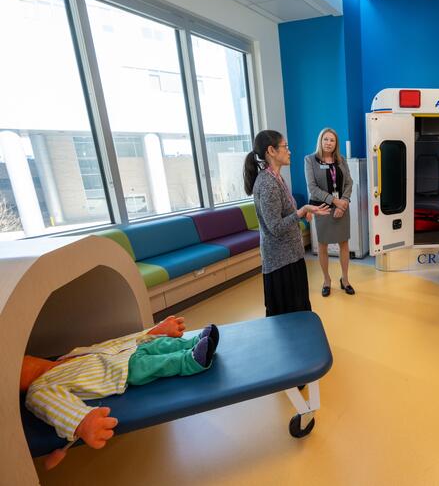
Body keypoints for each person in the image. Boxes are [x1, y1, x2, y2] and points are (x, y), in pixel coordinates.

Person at [21, 316, 217, 468]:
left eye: (24, 357)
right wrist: (81, 421)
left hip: (132, 348)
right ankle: (192, 360)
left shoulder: (67, 356)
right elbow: (51, 404)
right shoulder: (40, 387)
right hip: (124, 369)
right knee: (157, 364)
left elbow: (109, 344)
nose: (25, 360)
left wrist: (154, 331)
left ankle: (193, 342)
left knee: (159, 345)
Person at [244, 130, 330, 316]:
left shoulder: (276, 177)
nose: (289, 151)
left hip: (291, 255)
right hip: (280, 262)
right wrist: (302, 211)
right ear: (271, 151)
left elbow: (285, 212)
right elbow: (275, 228)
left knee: (299, 312)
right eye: (285, 147)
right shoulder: (267, 184)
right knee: (287, 318)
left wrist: (302, 213)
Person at [304, 128, 355, 296]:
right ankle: (327, 280)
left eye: (332, 140)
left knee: (344, 244)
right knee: (323, 245)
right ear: (320, 141)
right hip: (323, 208)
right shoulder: (310, 160)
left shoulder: (341, 160)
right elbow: (313, 188)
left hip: (342, 207)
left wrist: (344, 202)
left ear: (336, 143)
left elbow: (349, 182)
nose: (328, 143)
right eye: (325, 139)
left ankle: (345, 279)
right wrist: (335, 201)